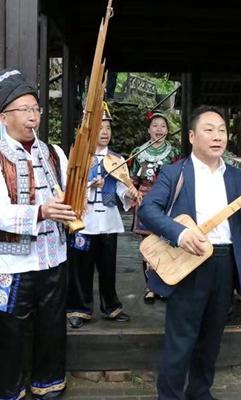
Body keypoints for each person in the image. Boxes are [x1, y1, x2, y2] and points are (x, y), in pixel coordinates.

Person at [138, 105, 241, 400]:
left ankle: (200, 392)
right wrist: (181, 232)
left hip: (225, 262)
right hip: (189, 262)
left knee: (212, 338)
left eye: (222, 130)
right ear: (192, 136)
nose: (218, 136)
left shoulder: (237, 176)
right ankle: (170, 396)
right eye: (209, 130)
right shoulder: (175, 172)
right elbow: (148, 209)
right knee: (181, 339)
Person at [0, 68, 76, 400]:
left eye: (36, 109)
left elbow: (66, 195)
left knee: (51, 326)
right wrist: (41, 211)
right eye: (25, 110)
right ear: (5, 117)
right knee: (10, 331)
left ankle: (49, 383)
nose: (33, 116)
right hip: (12, 264)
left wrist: (74, 204)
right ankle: (8, 391)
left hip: (54, 258)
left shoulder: (54, 153)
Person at [66, 105, 141, 328]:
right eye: (100, 127)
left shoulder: (116, 159)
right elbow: (69, 188)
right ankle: (78, 309)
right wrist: (90, 185)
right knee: (81, 268)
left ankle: (111, 307)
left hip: (107, 220)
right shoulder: (79, 157)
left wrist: (128, 192)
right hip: (85, 221)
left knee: (108, 267)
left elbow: (120, 189)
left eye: (108, 127)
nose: (105, 132)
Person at [130, 111, 181, 304]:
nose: (159, 129)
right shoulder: (138, 152)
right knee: (147, 246)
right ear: (149, 130)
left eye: (163, 126)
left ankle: (166, 285)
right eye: (155, 126)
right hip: (145, 200)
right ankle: (150, 286)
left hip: (167, 202)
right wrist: (133, 195)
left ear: (167, 130)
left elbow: (179, 179)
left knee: (166, 244)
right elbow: (132, 180)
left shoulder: (175, 153)